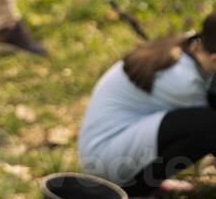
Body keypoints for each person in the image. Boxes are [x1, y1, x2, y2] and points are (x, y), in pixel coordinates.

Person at [79, 11, 216, 196]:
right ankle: (134, 189)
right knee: (209, 126)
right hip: (106, 161)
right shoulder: (185, 83)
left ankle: (146, 180)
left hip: (116, 139)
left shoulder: (192, 43)